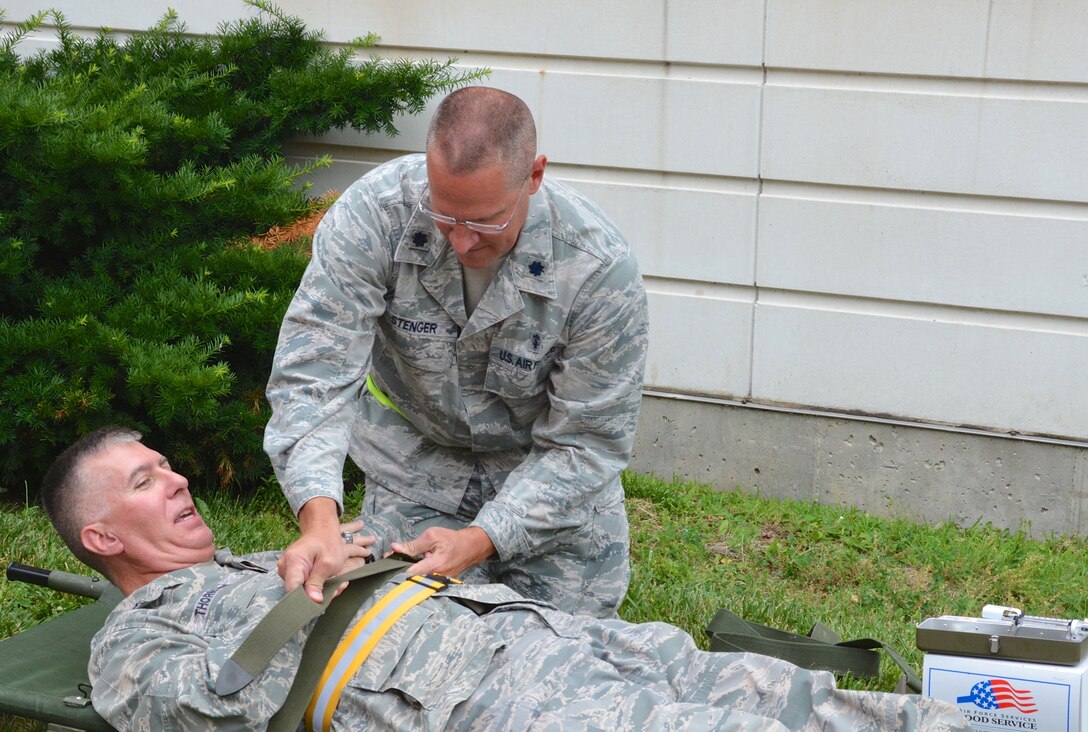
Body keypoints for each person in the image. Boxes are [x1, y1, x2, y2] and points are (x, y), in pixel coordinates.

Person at [40, 426, 971, 731]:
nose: (178, 481)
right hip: (478, 704)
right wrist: (303, 602)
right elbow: (207, 710)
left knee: (793, 695)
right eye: (145, 481)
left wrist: (372, 557)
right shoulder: (134, 638)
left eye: (167, 467)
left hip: (536, 632)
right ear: (99, 534)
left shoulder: (255, 559)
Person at [264, 86, 650, 617]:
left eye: (486, 221)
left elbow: (587, 443)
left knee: (565, 646)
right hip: (419, 469)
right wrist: (319, 521)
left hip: (549, 491)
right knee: (395, 629)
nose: (463, 242)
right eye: (446, 217)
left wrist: (483, 537)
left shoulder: (597, 269)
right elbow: (314, 374)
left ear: (534, 176)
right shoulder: (375, 215)